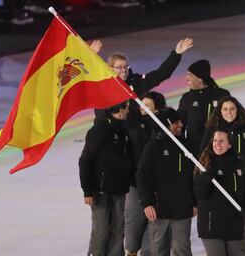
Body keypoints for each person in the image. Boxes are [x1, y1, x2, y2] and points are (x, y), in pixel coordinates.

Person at [91, 38, 192, 256]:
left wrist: (176, 53)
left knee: (138, 216)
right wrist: (91, 57)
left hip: (138, 154)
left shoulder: (135, 84)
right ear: (109, 68)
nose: (123, 71)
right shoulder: (102, 86)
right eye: (118, 67)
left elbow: (160, 74)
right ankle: (129, 250)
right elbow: (87, 79)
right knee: (125, 220)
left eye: (125, 67)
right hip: (115, 159)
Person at [200, 96, 245, 254]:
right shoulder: (213, 130)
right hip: (218, 185)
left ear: (238, 110)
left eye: (232, 109)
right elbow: (203, 156)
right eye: (225, 109)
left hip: (242, 184)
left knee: (243, 232)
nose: (229, 112)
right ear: (219, 112)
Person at [136, 107, 196, 256]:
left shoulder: (188, 146)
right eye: (176, 122)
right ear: (166, 124)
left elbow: (195, 177)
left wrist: (195, 202)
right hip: (159, 210)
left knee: (182, 250)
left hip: (183, 209)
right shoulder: (152, 148)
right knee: (158, 250)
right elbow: (142, 177)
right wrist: (147, 203)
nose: (181, 125)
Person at [79, 101, 134, 256]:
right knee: (101, 231)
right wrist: (87, 190)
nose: (129, 111)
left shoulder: (124, 129)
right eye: (127, 108)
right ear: (121, 109)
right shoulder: (99, 130)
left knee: (118, 230)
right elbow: (85, 161)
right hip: (100, 191)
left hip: (120, 189)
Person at [194, 128, 245, 256]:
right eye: (215, 140)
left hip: (234, 223)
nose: (217, 144)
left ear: (229, 144)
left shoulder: (241, 164)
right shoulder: (205, 164)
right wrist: (204, 180)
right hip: (211, 225)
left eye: (222, 141)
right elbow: (200, 194)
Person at [125, 91, 167, 256]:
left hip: (157, 182)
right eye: (142, 104)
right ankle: (131, 250)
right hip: (135, 180)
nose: (143, 108)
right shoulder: (132, 122)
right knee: (133, 219)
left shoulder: (163, 125)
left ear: (157, 109)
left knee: (153, 220)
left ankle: (148, 252)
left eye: (148, 105)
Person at [178, 59, 230, 158]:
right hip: (194, 153)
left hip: (218, 151)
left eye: (190, 75)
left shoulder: (222, 95)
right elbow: (180, 125)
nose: (186, 78)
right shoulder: (187, 98)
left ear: (200, 78)